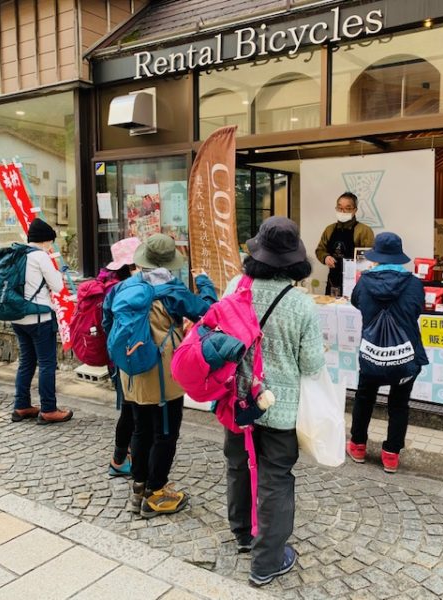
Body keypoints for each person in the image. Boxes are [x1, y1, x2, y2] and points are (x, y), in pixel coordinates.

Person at [223, 216, 325, 587]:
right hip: (279, 409)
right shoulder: (301, 305)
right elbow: (312, 364)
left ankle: (242, 534)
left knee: (238, 464)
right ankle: (267, 562)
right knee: (276, 478)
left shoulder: (236, 286)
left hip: (237, 400)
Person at [113, 234, 217, 518]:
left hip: (131, 372)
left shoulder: (124, 285)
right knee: (166, 433)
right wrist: (205, 282)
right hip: (162, 375)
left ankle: (139, 488)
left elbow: (108, 321)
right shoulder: (172, 289)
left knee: (141, 429)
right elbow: (207, 313)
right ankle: (156, 493)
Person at [347, 232, 428, 473]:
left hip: (372, 355)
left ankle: (358, 446)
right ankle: (391, 455)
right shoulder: (414, 283)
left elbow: (356, 302)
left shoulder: (364, 281)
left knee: (364, 398)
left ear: (377, 256)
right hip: (405, 356)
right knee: (399, 404)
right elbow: (417, 309)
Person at [11, 218, 73, 424]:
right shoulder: (40, 256)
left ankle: (21, 406)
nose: (50, 246)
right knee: (47, 363)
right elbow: (57, 287)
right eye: (50, 242)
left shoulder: (17, 253)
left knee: (26, 362)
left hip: (18, 317)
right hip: (40, 318)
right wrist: (59, 276)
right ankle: (48, 409)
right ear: (45, 240)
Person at [101, 237, 142, 477]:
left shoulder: (111, 285)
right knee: (132, 411)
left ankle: (123, 456)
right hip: (128, 360)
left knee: (129, 409)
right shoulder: (124, 290)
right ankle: (120, 461)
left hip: (117, 359)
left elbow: (108, 325)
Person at [316, 192, 374, 296]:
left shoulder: (364, 230)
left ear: (355, 210)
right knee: (332, 308)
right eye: (339, 208)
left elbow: (370, 258)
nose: (342, 211)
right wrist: (325, 257)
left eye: (347, 208)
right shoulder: (329, 229)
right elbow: (320, 250)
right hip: (333, 280)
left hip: (356, 282)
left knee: (352, 311)